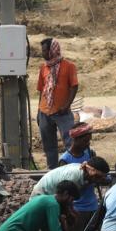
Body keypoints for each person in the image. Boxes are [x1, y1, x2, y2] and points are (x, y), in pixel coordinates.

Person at [37, 38, 78, 169]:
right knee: (49, 145)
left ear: (52, 50)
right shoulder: (44, 67)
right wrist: (39, 111)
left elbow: (74, 87)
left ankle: (72, 168)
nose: (43, 53)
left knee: (70, 142)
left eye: (45, 50)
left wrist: (66, 105)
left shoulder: (69, 66)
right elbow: (42, 89)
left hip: (62, 112)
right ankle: (52, 170)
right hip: (45, 111)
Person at [58, 122, 100, 231]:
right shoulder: (65, 160)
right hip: (76, 208)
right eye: (85, 141)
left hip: (92, 205)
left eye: (89, 141)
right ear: (75, 140)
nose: (88, 144)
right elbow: (64, 188)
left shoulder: (90, 154)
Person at [31, 156, 109, 198]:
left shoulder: (83, 173)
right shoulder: (74, 177)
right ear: (92, 172)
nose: (98, 180)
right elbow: (63, 198)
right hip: (42, 195)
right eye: (97, 177)